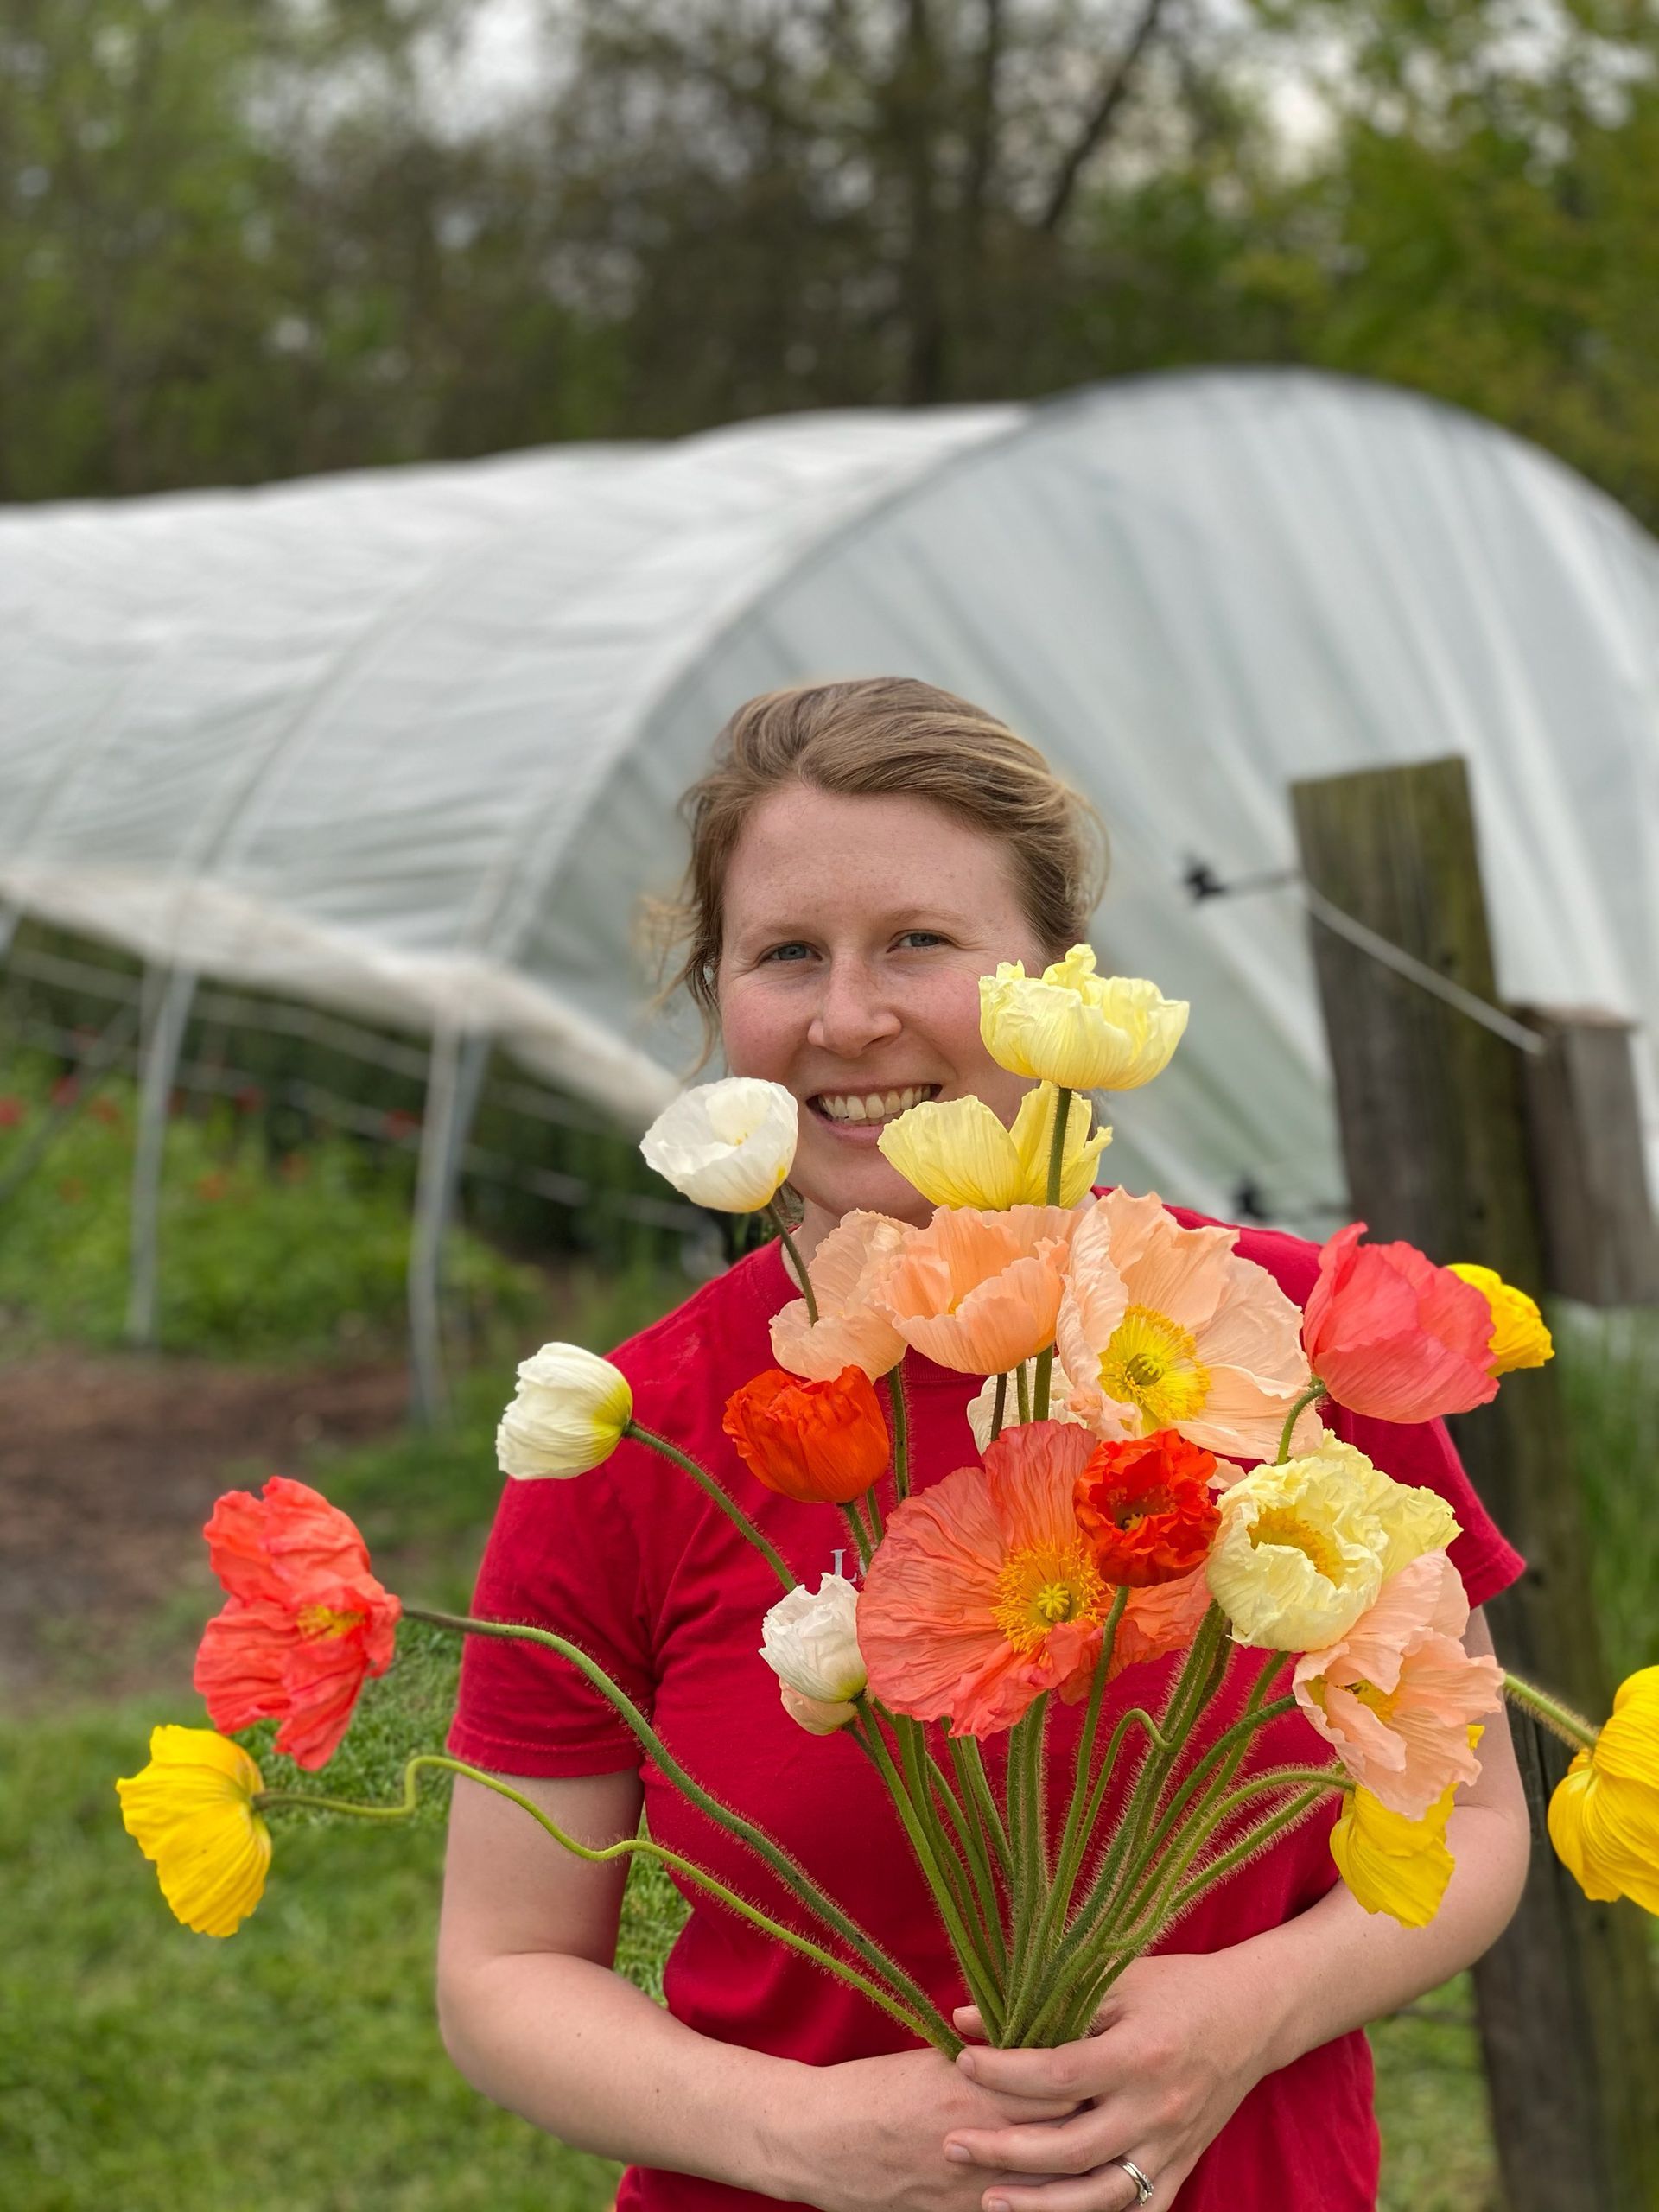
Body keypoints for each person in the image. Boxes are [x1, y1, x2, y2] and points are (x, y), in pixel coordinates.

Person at [435, 677, 1531, 2212]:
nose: (849, 1017)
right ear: (716, 998)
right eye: (786, 956)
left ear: (1050, 983)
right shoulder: (639, 1432)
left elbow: (1475, 1824)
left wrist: (1238, 2020)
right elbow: (501, 1967)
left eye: (921, 944)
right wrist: (796, 2137)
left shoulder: (1287, 1339)